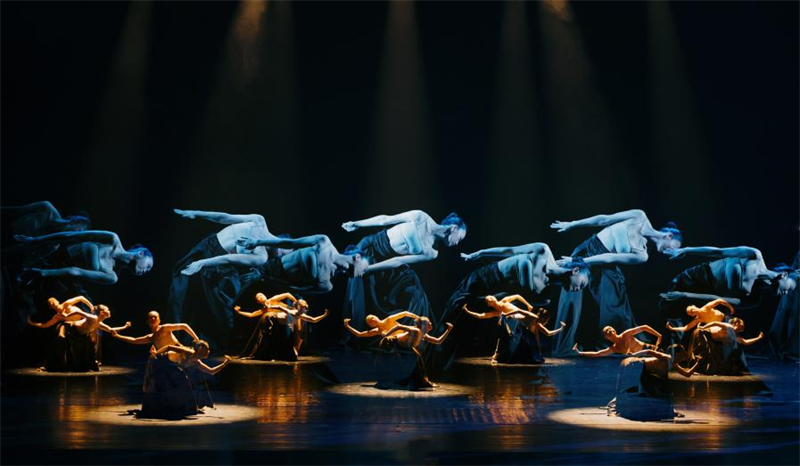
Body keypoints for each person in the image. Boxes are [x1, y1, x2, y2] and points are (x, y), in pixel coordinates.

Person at [549, 209, 682, 355]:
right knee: (572, 292)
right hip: (589, 250)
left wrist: (580, 261)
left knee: (616, 297)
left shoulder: (642, 255)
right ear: (669, 236)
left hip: (604, 262)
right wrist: (573, 224)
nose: (669, 253)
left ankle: (617, 344)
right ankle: (564, 346)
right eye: (672, 248)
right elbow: (603, 219)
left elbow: (609, 258)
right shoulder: (639, 216)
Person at [167, 208, 282, 349]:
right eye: (283, 248)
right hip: (208, 244)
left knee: (218, 308)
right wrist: (197, 213)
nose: (280, 253)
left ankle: (213, 345)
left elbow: (228, 259)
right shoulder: (258, 220)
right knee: (182, 287)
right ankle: (177, 340)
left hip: (216, 263)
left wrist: (202, 263)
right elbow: (225, 217)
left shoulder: (261, 257)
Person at [341, 210, 467, 333]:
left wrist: (369, 269)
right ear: (454, 228)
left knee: (415, 296)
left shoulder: (432, 253)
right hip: (369, 248)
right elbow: (384, 220)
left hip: (381, 262)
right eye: (460, 238)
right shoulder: (421, 217)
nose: (457, 243)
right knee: (357, 296)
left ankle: (405, 335)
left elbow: (398, 261)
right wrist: (357, 224)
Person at [660, 246, 797, 310]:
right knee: (665, 309)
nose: (785, 293)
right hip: (691, 278)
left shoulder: (753, 299)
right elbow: (717, 252)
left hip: (696, 298)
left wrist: (685, 295)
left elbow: (718, 300)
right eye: (789, 288)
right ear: (784, 275)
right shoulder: (754, 256)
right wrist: (686, 250)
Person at [15, 230, 152, 284]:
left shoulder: (112, 276)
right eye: (148, 266)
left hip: (53, 271)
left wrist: (42, 273)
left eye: (147, 270)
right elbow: (72, 235)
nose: (146, 271)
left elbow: (76, 272)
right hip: (51, 251)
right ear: (140, 253)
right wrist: (35, 239)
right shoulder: (112, 239)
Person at [138, 339, 230, 419]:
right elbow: (169, 347)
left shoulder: (197, 362)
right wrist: (156, 353)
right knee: (174, 384)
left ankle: (180, 408)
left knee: (183, 384)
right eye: (207, 349)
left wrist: (225, 363)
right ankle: (165, 408)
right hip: (162, 361)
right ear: (200, 350)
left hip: (171, 367)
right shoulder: (188, 352)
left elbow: (211, 371)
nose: (209, 351)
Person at [28, 301, 130, 371]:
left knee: (91, 344)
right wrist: (66, 316)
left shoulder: (99, 323)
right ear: (102, 312)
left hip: (81, 334)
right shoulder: (93, 318)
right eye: (108, 310)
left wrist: (125, 327)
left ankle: (87, 364)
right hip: (71, 329)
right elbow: (78, 311)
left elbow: (111, 330)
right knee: (60, 341)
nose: (110, 311)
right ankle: (52, 365)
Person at [464, 298, 566, 364]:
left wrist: (561, 328)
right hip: (511, 319)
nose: (546, 322)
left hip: (515, 323)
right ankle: (498, 355)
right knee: (509, 336)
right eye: (546, 320)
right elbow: (518, 311)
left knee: (524, 340)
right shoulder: (532, 316)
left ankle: (514, 355)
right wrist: (506, 315)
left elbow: (547, 333)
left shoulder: (536, 322)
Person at [234, 293, 328, 361]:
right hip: (284, 322)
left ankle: (296, 351)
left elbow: (287, 294)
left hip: (292, 315)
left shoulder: (273, 300)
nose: (261, 296)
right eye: (259, 296)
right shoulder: (265, 309)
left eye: (262, 294)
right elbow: (252, 314)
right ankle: (288, 352)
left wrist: (297, 303)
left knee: (300, 331)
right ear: (258, 301)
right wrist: (239, 312)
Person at [377, 317, 454, 390]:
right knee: (416, 360)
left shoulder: (424, 335)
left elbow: (438, 341)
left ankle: (418, 381)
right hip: (390, 342)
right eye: (428, 322)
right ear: (424, 325)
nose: (431, 323)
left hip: (401, 347)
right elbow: (398, 326)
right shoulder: (415, 330)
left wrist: (448, 329)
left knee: (418, 360)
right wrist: (386, 334)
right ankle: (414, 381)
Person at [677, 318, 763, 376]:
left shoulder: (734, 335)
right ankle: (695, 369)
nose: (743, 328)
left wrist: (758, 338)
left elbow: (745, 342)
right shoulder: (728, 326)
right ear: (737, 323)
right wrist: (703, 327)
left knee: (714, 356)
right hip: (703, 333)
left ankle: (702, 370)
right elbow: (715, 323)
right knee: (702, 353)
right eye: (742, 325)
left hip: (713, 340)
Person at [111, 310, 200, 351]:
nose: (153, 318)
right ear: (147, 321)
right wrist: (117, 336)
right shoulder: (151, 337)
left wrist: (197, 339)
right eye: (151, 317)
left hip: (180, 352)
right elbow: (134, 340)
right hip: (167, 358)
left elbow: (184, 326)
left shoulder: (164, 328)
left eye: (155, 317)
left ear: (159, 320)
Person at [770, 254, 800, 359]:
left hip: (792, 283)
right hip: (792, 283)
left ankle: (789, 350)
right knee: (786, 315)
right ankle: (786, 350)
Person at [573, 324, 663, 357]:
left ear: (615, 330)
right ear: (607, 338)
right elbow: (598, 354)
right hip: (643, 357)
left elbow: (644, 327)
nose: (609, 330)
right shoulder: (615, 348)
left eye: (610, 328)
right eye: (606, 330)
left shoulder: (626, 334)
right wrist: (580, 353)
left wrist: (658, 335)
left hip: (651, 350)